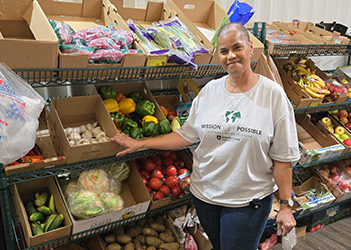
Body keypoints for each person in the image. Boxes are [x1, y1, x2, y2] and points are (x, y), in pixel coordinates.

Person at [110, 22, 300, 249]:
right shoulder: (210, 91)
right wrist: (140, 143)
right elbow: (186, 135)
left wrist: (286, 205)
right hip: (205, 196)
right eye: (224, 51)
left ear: (250, 48)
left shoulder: (272, 96)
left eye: (237, 48)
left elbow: (283, 158)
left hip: (247, 202)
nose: (231, 56)